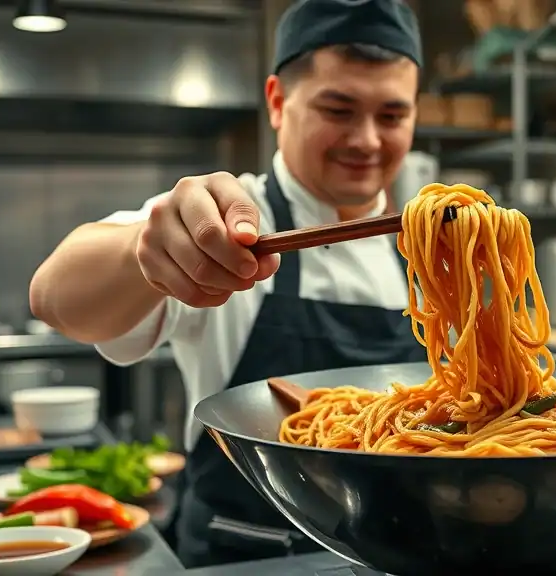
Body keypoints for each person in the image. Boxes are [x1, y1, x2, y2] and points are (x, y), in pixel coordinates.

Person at [28, 0, 424, 567]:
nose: (366, 140)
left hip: (395, 557)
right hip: (245, 558)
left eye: (391, 116)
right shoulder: (229, 218)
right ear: (278, 102)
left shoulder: (427, 248)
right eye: (338, 109)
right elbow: (54, 297)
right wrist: (149, 246)